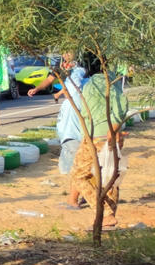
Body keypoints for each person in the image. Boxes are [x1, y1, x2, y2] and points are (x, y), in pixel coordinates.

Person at [71, 57, 128, 228]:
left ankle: (103, 211)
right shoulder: (113, 81)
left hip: (97, 136)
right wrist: (115, 131)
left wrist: (112, 131)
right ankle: (108, 217)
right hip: (112, 135)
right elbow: (121, 109)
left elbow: (119, 109)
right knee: (110, 174)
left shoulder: (93, 84)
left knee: (79, 175)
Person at [29, 53, 87, 208]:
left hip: (74, 133)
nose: (64, 55)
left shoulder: (78, 74)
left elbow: (75, 83)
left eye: (68, 52)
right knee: (80, 167)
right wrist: (37, 89)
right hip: (70, 132)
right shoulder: (63, 70)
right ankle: (84, 196)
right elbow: (50, 79)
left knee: (77, 167)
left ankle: (73, 200)